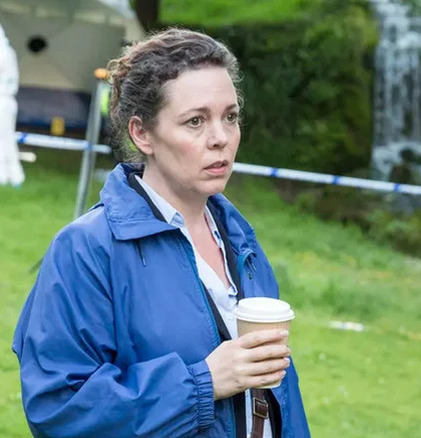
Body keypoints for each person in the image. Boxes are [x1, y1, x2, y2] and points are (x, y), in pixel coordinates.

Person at [13, 29, 310, 438]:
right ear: (142, 134)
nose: (221, 138)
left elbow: (282, 399)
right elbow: (58, 411)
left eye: (230, 116)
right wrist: (203, 383)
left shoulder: (240, 240)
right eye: (195, 121)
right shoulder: (87, 249)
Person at [0, 23, 24, 187]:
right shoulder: (9, 51)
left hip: (3, 100)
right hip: (7, 100)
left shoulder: (3, 53)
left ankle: (15, 176)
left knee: (6, 140)